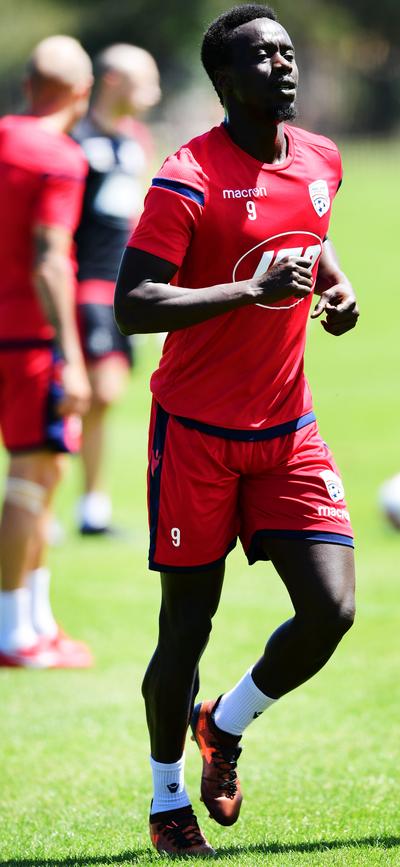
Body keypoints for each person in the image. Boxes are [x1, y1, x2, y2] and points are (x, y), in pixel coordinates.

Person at [114, 4, 359, 857]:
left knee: (331, 609)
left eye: (288, 53)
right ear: (226, 81)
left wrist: (336, 285)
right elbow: (135, 302)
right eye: (263, 57)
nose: (284, 66)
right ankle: (167, 798)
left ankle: (224, 721)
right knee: (186, 626)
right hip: (196, 433)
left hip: (288, 426)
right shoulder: (186, 176)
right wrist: (250, 292)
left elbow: (309, 231)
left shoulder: (322, 158)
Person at [0, 36, 94, 668]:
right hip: (29, 339)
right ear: (81, 94)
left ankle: (37, 620)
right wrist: (74, 355)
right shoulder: (60, 157)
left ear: (30, 85)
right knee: (30, 480)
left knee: (50, 472)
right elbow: (48, 260)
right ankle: (12, 634)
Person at [74, 44, 160, 535]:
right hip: (85, 285)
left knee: (105, 396)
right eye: (143, 78)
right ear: (111, 82)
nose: (154, 88)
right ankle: (47, 496)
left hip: (123, 285)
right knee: (92, 391)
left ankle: (91, 507)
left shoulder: (137, 139)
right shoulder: (77, 141)